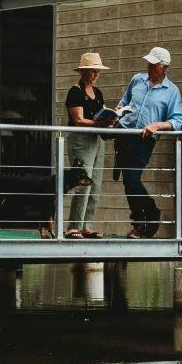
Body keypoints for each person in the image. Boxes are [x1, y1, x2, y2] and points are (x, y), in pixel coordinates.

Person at [113, 47, 182, 238]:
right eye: (149, 63)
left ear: (164, 68)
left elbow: (177, 121)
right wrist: (117, 112)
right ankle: (140, 223)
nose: (149, 67)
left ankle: (150, 214)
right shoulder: (137, 79)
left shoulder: (172, 92)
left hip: (143, 140)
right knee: (128, 183)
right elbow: (125, 101)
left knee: (132, 180)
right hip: (123, 134)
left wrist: (157, 125)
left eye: (153, 64)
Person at [63, 52, 111, 238]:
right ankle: (73, 226)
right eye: (92, 71)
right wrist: (100, 123)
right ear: (83, 72)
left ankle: (86, 225)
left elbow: (101, 113)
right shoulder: (75, 91)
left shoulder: (98, 92)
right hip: (81, 140)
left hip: (97, 139)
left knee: (96, 183)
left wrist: (111, 119)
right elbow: (79, 120)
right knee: (83, 181)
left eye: (97, 71)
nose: (96, 75)